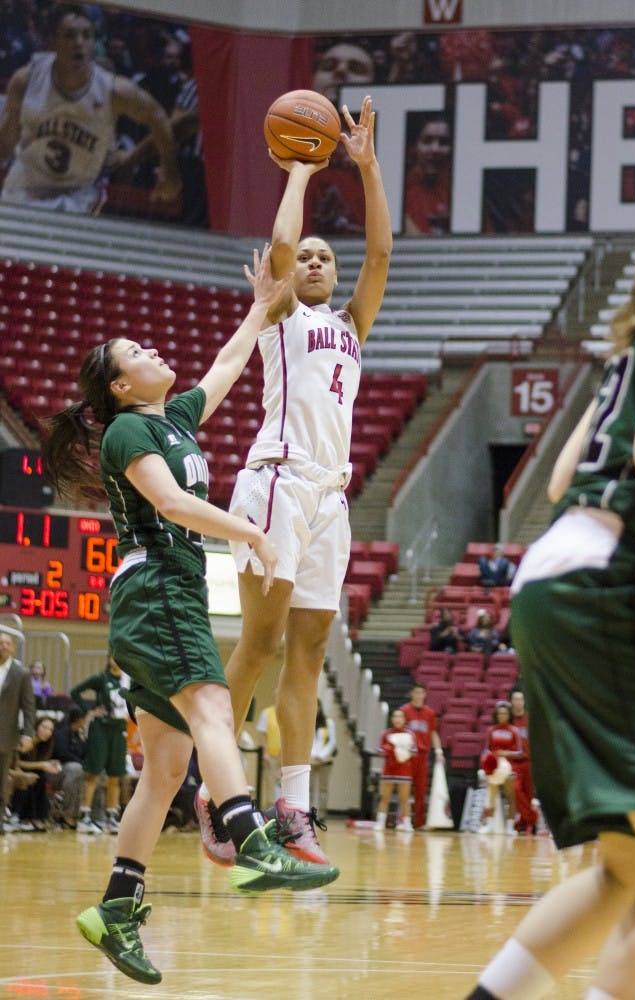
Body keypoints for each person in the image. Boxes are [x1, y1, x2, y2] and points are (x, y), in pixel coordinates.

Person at [42, 244, 338, 986]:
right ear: (118, 384)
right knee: (213, 706)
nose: (151, 349)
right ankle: (250, 839)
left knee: (165, 769)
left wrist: (261, 305)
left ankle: (115, 905)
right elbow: (171, 505)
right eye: (134, 351)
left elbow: (228, 368)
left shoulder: (171, 418)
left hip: (165, 594)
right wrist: (252, 532)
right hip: (157, 591)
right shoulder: (126, 433)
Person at [466, 190, 635, 1000]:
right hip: (613, 579)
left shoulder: (631, 341)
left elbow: (558, 479)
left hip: (554, 572)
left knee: (624, 863)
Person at [196, 94, 392, 868]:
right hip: (276, 480)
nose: (312, 260)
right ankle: (210, 791)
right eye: (306, 256)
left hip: (328, 499)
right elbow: (280, 239)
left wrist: (367, 168)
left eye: (323, 258)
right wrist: (302, 171)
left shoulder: (348, 325)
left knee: (309, 648)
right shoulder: (281, 315)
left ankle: (293, 807)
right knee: (261, 639)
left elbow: (377, 257)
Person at [0, 3, 181, 213]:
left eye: (87, 35)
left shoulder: (113, 91)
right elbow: (6, 143)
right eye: (70, 35)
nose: (80, 43)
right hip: (24, 188)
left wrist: (170, 169)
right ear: (53, 41)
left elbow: (157, 115)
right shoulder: (26, 80)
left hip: (77, 195)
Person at [70, 656, 130, 835]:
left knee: (115, 776)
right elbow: (75, 692)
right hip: (100, 729)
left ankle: (111, 817)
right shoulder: (101, 679)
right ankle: (85, 817)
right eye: (114, 655)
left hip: (119, 730)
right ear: (109, 659)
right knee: (93, 774)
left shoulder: (130, 680)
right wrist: (89, 710)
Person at [0, 629, 35, 835]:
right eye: (0, 642)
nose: (3, 646)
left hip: (6, 736)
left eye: (7, 643)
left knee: (1, 780)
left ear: (13, 647)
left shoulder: (21, 674)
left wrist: (28, 734)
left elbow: (28, 707)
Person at [401, 683, 444, 829]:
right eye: (416, 692)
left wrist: (439, 751)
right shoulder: (404, 711)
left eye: (422, 693)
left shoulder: (430, 713)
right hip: (407, 755)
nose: (419, 695)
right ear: (412, 693)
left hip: (423, 755)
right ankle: (404, 819)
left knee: (421, 789)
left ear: (425, 694)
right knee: (405, 788)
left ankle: (419, 822)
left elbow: (433, 733)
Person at [478, 701, 522, 836]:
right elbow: (486, 750)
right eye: (500, 713)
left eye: (505, 713)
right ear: (496, 715)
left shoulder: (515, 731)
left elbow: (520, 752)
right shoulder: (491, 730)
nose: (502, 716)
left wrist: (506, 753)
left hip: (509, 767)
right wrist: (487, 762)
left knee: (510, 797)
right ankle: (489, 825)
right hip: (494, 767)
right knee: (491, 796)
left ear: (509, 715)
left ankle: (510, 827)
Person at [403, 114, 451, 236]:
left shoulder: (458, 192)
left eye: (443, 142)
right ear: (413, 147)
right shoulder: (400, 192)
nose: (435, 149)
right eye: (427, 141)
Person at [11, 715, 61, 831]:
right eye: (44, 727)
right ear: (36, 726)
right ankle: (23, 817)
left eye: (50, 730)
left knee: (40, 777)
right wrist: (41, 765)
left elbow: (39, 763)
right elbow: (14, 763)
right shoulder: (24, 740)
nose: (47, 732)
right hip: (15, 769)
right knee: (30, 777)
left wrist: (48, 763)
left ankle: (37, 817)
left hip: (32, 770)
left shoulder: (47, 743)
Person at [375, 707, 417, 832]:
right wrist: (388, 748)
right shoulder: (386, 733)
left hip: (404, 771)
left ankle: (407, 822)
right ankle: (380, 822)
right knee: (385, 797)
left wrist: (402, 749)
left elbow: (414, 752)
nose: (398, 719)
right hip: (389, 770)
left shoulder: (410, 734)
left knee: (404, 798)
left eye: (400, 717)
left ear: (404, 720)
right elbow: (380, 750)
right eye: (395, 716)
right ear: (392, 719)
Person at [51, 704, 88, 830]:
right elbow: (62, 754)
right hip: (56, 769)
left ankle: (83, 815)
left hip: (74, 768)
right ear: (79, 720)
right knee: (76, 769)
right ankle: (67, 814)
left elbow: (84, 753)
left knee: (88, 773)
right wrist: (81, 763)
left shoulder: (78, 734)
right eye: (85, 719)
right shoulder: (63, 732)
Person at [509, 688, 538, 835]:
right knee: (516, 789)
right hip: (513, 762)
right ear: (511, 702)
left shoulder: (530, 719)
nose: (518, 702)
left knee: (528, 794)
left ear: (524, 701)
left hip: (529, 761)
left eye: (521, 699)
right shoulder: (508, 720)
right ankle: (533, 819)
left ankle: (524, 824)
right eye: (515, 699)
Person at [309, 699, 337, 820]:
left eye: (317, 706)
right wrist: (313, 756)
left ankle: (321, 814)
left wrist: (321, 756)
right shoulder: (306, 721)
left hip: (325, 760)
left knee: (323, 788)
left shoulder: (328, 722)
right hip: (310, 760)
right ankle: (308, 813)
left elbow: (332, 742)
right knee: (309, 788)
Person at [255, 700, 281, 811]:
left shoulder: (286, 712)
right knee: (270, 783)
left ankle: (282, 809)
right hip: (270, 755)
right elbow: (262, 734)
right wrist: (265, 753)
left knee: (282, 783)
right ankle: (270, 810)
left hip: (284, 755)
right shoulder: (267, 713)